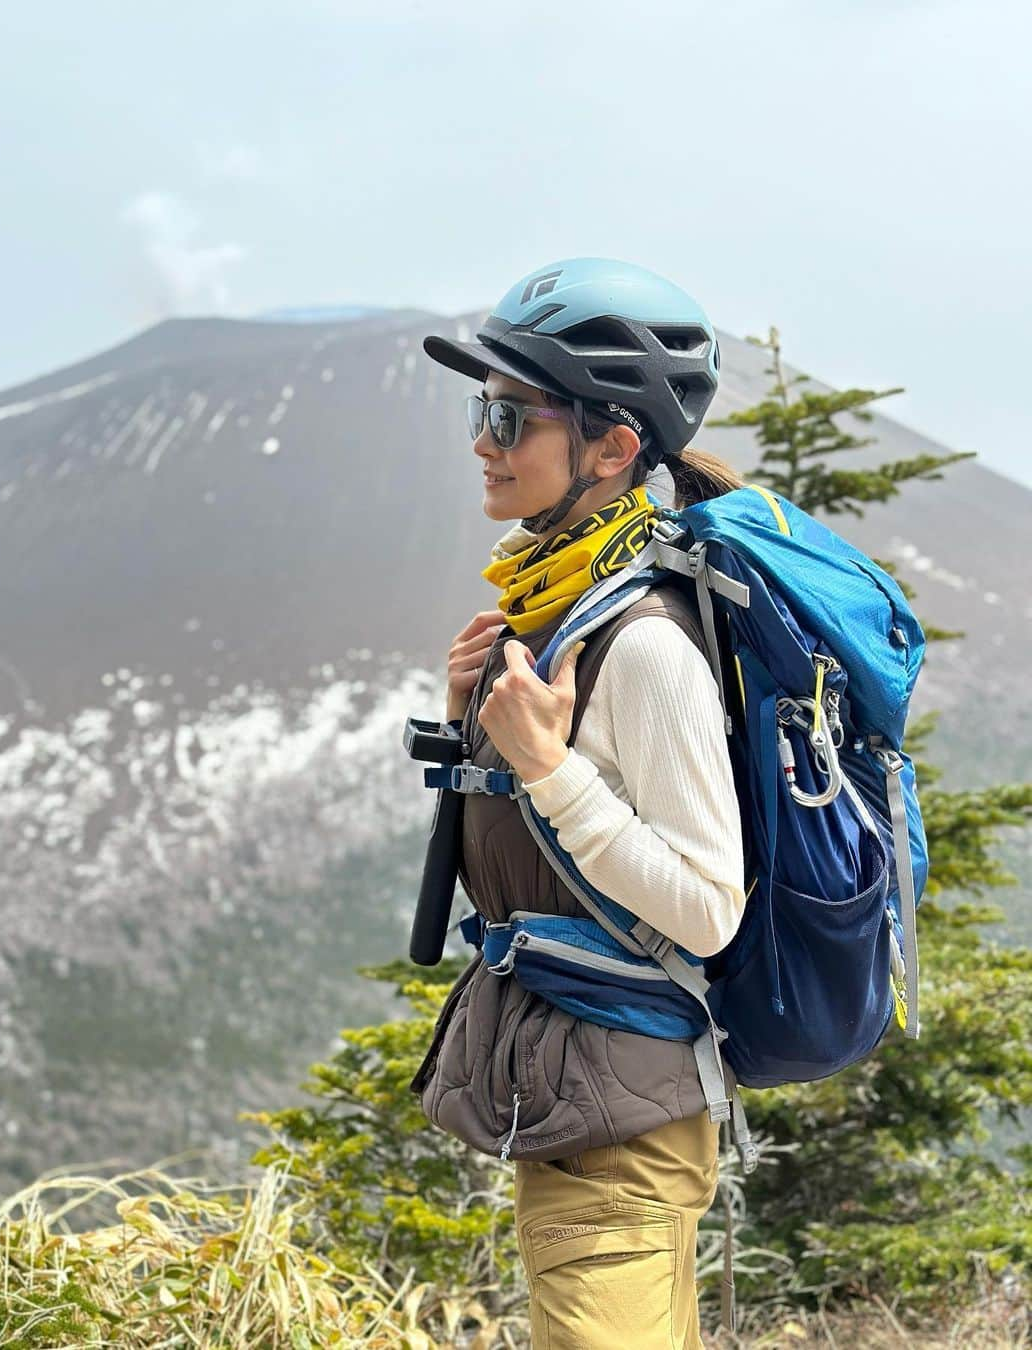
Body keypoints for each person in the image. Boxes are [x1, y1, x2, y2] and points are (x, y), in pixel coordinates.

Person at [410, 258, 747, 1349]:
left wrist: (550, 773)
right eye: (481, 409)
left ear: (611, 447)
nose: (483, 442)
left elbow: (708, 908)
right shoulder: (560, 614)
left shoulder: (643, 644)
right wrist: (477, 724)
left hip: (620, 1135)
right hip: (584, 1103)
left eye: (510, 416)